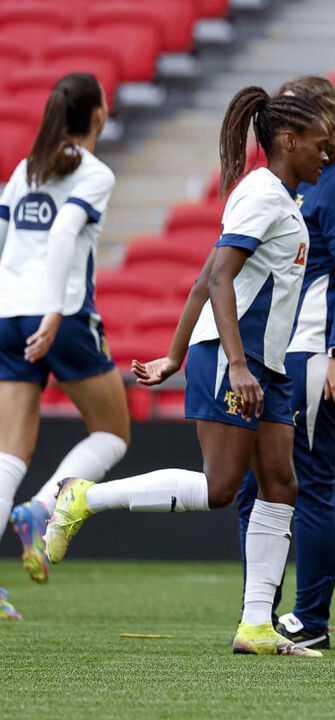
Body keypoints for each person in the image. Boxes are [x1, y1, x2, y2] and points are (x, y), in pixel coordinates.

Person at [42, 86, 330, 657]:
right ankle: (82, 497)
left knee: (281, 484)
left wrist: (174, 355)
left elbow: (205, 277)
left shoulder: (281, 198)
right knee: (222, 488)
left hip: (264, 367)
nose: (329, 153)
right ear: (288, 141)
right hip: (236, 362)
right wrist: (237, 365)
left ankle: (255, 627)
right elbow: (220, 280)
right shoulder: (262, 195)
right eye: (321, 145)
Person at [230, 76, 335, 650]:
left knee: (306, 483)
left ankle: (310, 620)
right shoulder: (282, 187)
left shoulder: (334, 188)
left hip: (310, 349)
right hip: (276, 351)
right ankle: (261, 609)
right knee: (251, 487)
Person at [0, 73, 129, 611]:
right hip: (65, 315)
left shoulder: (25, 170)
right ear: (98, 114)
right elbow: (61, 235)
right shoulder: (93, 172)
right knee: (114, 433)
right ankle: (43, 505)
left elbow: (6, 239)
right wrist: (53, 310)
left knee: (8, 453)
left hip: (8, 314)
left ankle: (32, 503)